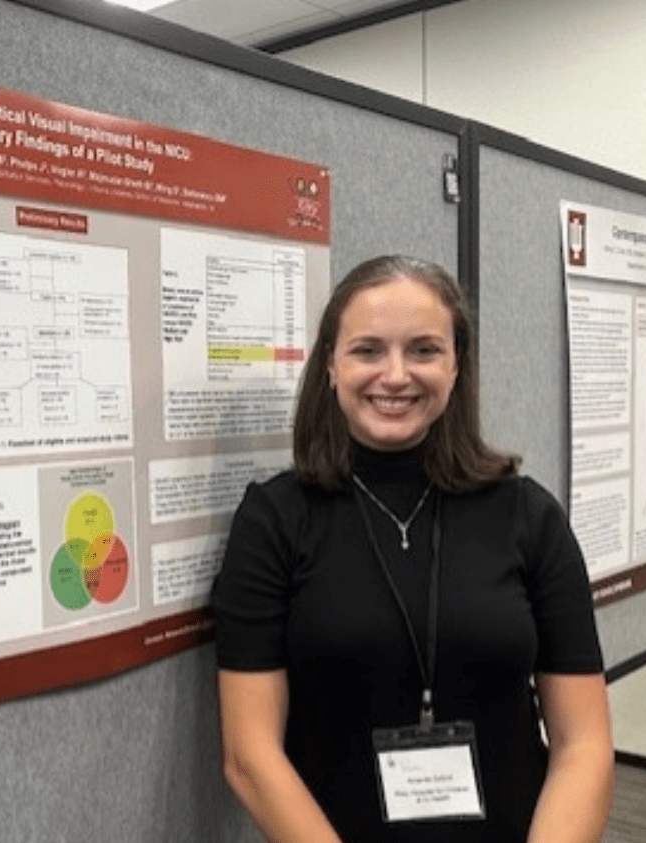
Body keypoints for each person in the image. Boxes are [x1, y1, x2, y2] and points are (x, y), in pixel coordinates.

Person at [211, 255, 613, 843]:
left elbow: (585, 744)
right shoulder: (275, 521)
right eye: (368, 350)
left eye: (424, 350)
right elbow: (249, 757)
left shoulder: (528, 517)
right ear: (330, 364)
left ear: (456, 366)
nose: (395, 375)